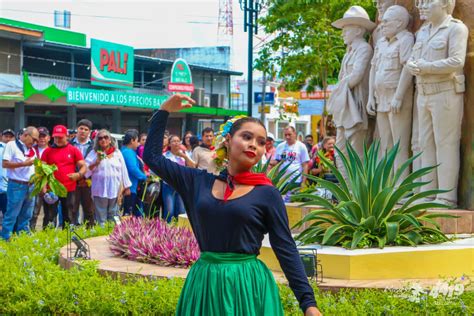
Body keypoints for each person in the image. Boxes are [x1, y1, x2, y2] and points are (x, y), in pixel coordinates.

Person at [143, 94, 320, 316]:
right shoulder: (197, 182)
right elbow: (152, 158)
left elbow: (285, 248)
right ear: (227, 140)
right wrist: (164, 111)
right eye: (246, 137)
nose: (253, 145)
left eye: (261, 142)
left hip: (249, 287)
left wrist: (308, 304)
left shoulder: (267, 193)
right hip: (206, 285)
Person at [367, 5, 414, 181]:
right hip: (381, 99)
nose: (382, 22)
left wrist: (399, 96)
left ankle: (400, 186)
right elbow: (373, 69)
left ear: (399, 23)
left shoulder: (406, 39)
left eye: (387, 21)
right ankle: (387, 183)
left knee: (399, 144)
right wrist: (371, 96)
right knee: (385, 144)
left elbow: (407, 69)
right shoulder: (381, 42)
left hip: (397, 98)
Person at [41, 125, 87, 228]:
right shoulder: (47, 151)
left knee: (69, 215)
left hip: (69, 188)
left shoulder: (73, 150)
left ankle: (67, 240)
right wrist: (43, 187)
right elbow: (42, 171)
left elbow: (83, 166)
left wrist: (78, 174)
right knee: (49, 216)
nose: (57, 140)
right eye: (55, 137)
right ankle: (48, 240)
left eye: (60, 137)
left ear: (66, 136)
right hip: (51, 189)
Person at [86, 129, 131, 227]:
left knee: (114, 214)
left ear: (110, 140)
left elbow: (123, 170)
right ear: (97, 141)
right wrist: (96, 161)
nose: (103, 140)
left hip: (115, 189)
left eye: (106, 137)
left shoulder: (117, 153)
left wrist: (127, 187)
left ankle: (113, 235)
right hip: (99, 190)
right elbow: (86, 171)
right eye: (100, 138)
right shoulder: (93, 153)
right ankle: (101, 236)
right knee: (100, 216)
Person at [0, 127, 39, 240]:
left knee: (27, 215)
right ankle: (5, 238)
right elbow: (5, 164)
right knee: (11, 214)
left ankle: (22, 238)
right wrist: (23, 164)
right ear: (26, 135)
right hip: (16, 185)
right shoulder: (11, 145)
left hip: (30, 185)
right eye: (34, 139)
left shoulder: (33, 149)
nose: (35, 142)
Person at [70, 119, 95, 226]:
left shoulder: (95, 146)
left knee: (89, 210)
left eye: (86, 129)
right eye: (81, 128)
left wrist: (86, 178)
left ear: (89, 131)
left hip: (88, 182)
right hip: (72, 181)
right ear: (77, 129)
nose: (83, 131)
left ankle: (89, 233)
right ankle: (71, 233)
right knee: (72, 208)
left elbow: (96, 163)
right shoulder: (69, 144)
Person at [121, 129, 147, 217]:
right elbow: (133, 169)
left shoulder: (126, 151)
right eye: (137, 140)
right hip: (130, 188)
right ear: (132, 140)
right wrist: (144, 177)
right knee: (130, 215)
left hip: (131, 187)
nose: (138, 143)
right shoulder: (128, 152)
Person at [30, 127, 50, 230]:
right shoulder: (31, 149)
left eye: (44, 136)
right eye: (40, 136)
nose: (42, 139)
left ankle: (48, 233)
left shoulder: (53, 150)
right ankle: (31, 232)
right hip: (35, 184)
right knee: (34, 211)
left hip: (50, 185)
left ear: (49, 138)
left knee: (50, 212)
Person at [0, 129, 15, 226]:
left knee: (7, 213)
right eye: (6, 136)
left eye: (10, 137)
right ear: (1, 136)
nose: (8, 138)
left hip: (8, 187)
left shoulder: (16, 149)